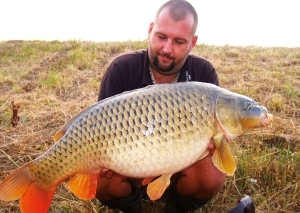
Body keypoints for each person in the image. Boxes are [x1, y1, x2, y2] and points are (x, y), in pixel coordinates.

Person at [96, 1, 253, 213]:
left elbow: (216, 142)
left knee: (212, 174)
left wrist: (218, 141)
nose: (167, 49)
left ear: (193, 42)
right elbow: (98, 129)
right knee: (98, 177)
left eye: (179, 41)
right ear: (151, 30)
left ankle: (177, 207)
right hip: (129, 166)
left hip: (180, 167)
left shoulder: (203, 74)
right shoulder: (122, 68)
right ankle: (129, 207)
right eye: (161, 37)